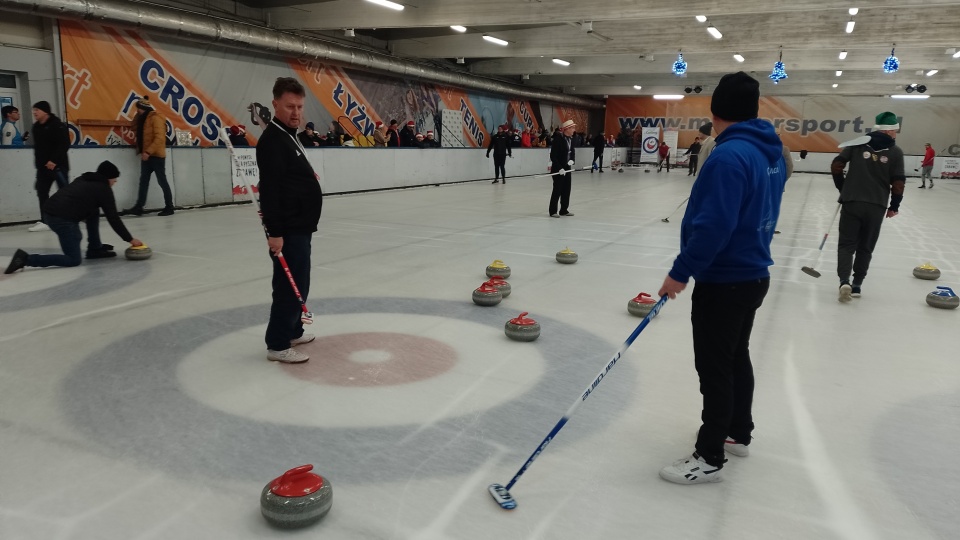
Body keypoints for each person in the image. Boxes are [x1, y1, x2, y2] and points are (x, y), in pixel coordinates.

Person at [656, 71, 787, 485]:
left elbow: (715, 226)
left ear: (714, 110)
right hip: (751, 275)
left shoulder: (729, 156)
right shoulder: (770, 152)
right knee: (734, 357)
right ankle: (736, 431)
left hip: (725, 278)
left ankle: (709, 455)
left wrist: (680, 272)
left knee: (714, 367)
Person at [255, 77, 323, 364]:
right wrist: (275, 231)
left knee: (300, 281)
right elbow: (270, 190)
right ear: (275, 104)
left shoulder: (289, 135)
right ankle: (278, 343)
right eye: (289, 106)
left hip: (301, 226)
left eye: (300, 107)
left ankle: (294, 329)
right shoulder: (272, 140)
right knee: (287, 285)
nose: (296, 113)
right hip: (288, 229)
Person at [4, 161, 145, 274]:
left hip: (50, 211)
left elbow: (80, 202)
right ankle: (25, 259)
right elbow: (113, 218)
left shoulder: (85, 178)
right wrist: (130, 239)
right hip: (60, 218)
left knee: (94, 211)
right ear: (108, 178)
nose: (115, 182)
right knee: (73, 259)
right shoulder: (103, 189)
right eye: (114, 179)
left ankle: (94, 248)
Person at [830, 111, 905, 302]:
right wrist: (894, 206)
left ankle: (844, 280)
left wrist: (843, 188)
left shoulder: (857, 143)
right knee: (866, 247)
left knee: (847, 244)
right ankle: (857, 285)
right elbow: (898, 182)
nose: (896, 134)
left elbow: (837, 165)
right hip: (876, 205)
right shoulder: (895, 152)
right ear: (889, 131)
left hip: (852, 201)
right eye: (895, 131)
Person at [124, 97, 174, 216]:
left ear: (143, 108)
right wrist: (137, 115)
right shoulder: (143, 119)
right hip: (147, 155)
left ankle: (169, 207)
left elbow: (160, 138)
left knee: (162, 181)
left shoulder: (156, 118)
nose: (137, 111)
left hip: (156, 156)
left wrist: (148, 152)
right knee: (144, 181)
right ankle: (139, 207)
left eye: (138, 109)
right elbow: (134, 127)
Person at [29, 101, 71, 232]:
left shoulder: (58, 125)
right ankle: (45, 220)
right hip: (43, 168)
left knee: (65, 192)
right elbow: (38, 148)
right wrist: (38, 164)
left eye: (37, 110)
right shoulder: (36, 127)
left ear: (45, 111)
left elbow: (64, 144)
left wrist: (54, 160)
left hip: (58, 166)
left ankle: (70, 216)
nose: (35, 112)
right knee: (42, 192)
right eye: (34, 110)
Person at [549, 119, 577, 217]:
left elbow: (572, 152)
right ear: (567, 129)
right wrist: (559, 168)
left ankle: (564, 209)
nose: (574, 130)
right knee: (557, 190)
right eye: (572, 128)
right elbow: (553, 156)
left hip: (567, 168)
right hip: (559, 169)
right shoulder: (558, 140)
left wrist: (572, 160)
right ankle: (553, 211)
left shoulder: (571, 139)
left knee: (566, 189)